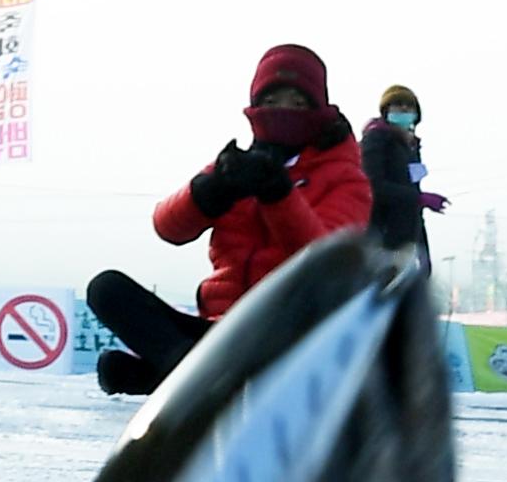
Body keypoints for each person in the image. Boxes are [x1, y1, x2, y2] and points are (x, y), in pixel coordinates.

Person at [87, 41, 370, 395]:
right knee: (106, 288)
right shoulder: (243, 164)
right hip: (221, 330)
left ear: (319, 110)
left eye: (298, 103)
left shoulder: (345, 177)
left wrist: (278, 195)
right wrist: (209, 189)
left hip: (289, 335)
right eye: (272, 101)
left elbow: (327, 262)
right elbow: (167, 227)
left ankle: (175, 378)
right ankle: (189, 373)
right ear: (255, 105)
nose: (284, 110)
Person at [358, 83, 446, 266]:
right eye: (398, 104)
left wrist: (423, 252)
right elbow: (372, 186)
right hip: (380, 238)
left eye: (409, 105)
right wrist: (418, 198)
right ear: (386, 110)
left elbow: (413, 205)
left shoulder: (411, 147)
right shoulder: (376, 139)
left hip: (405, 240)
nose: (404, 108)